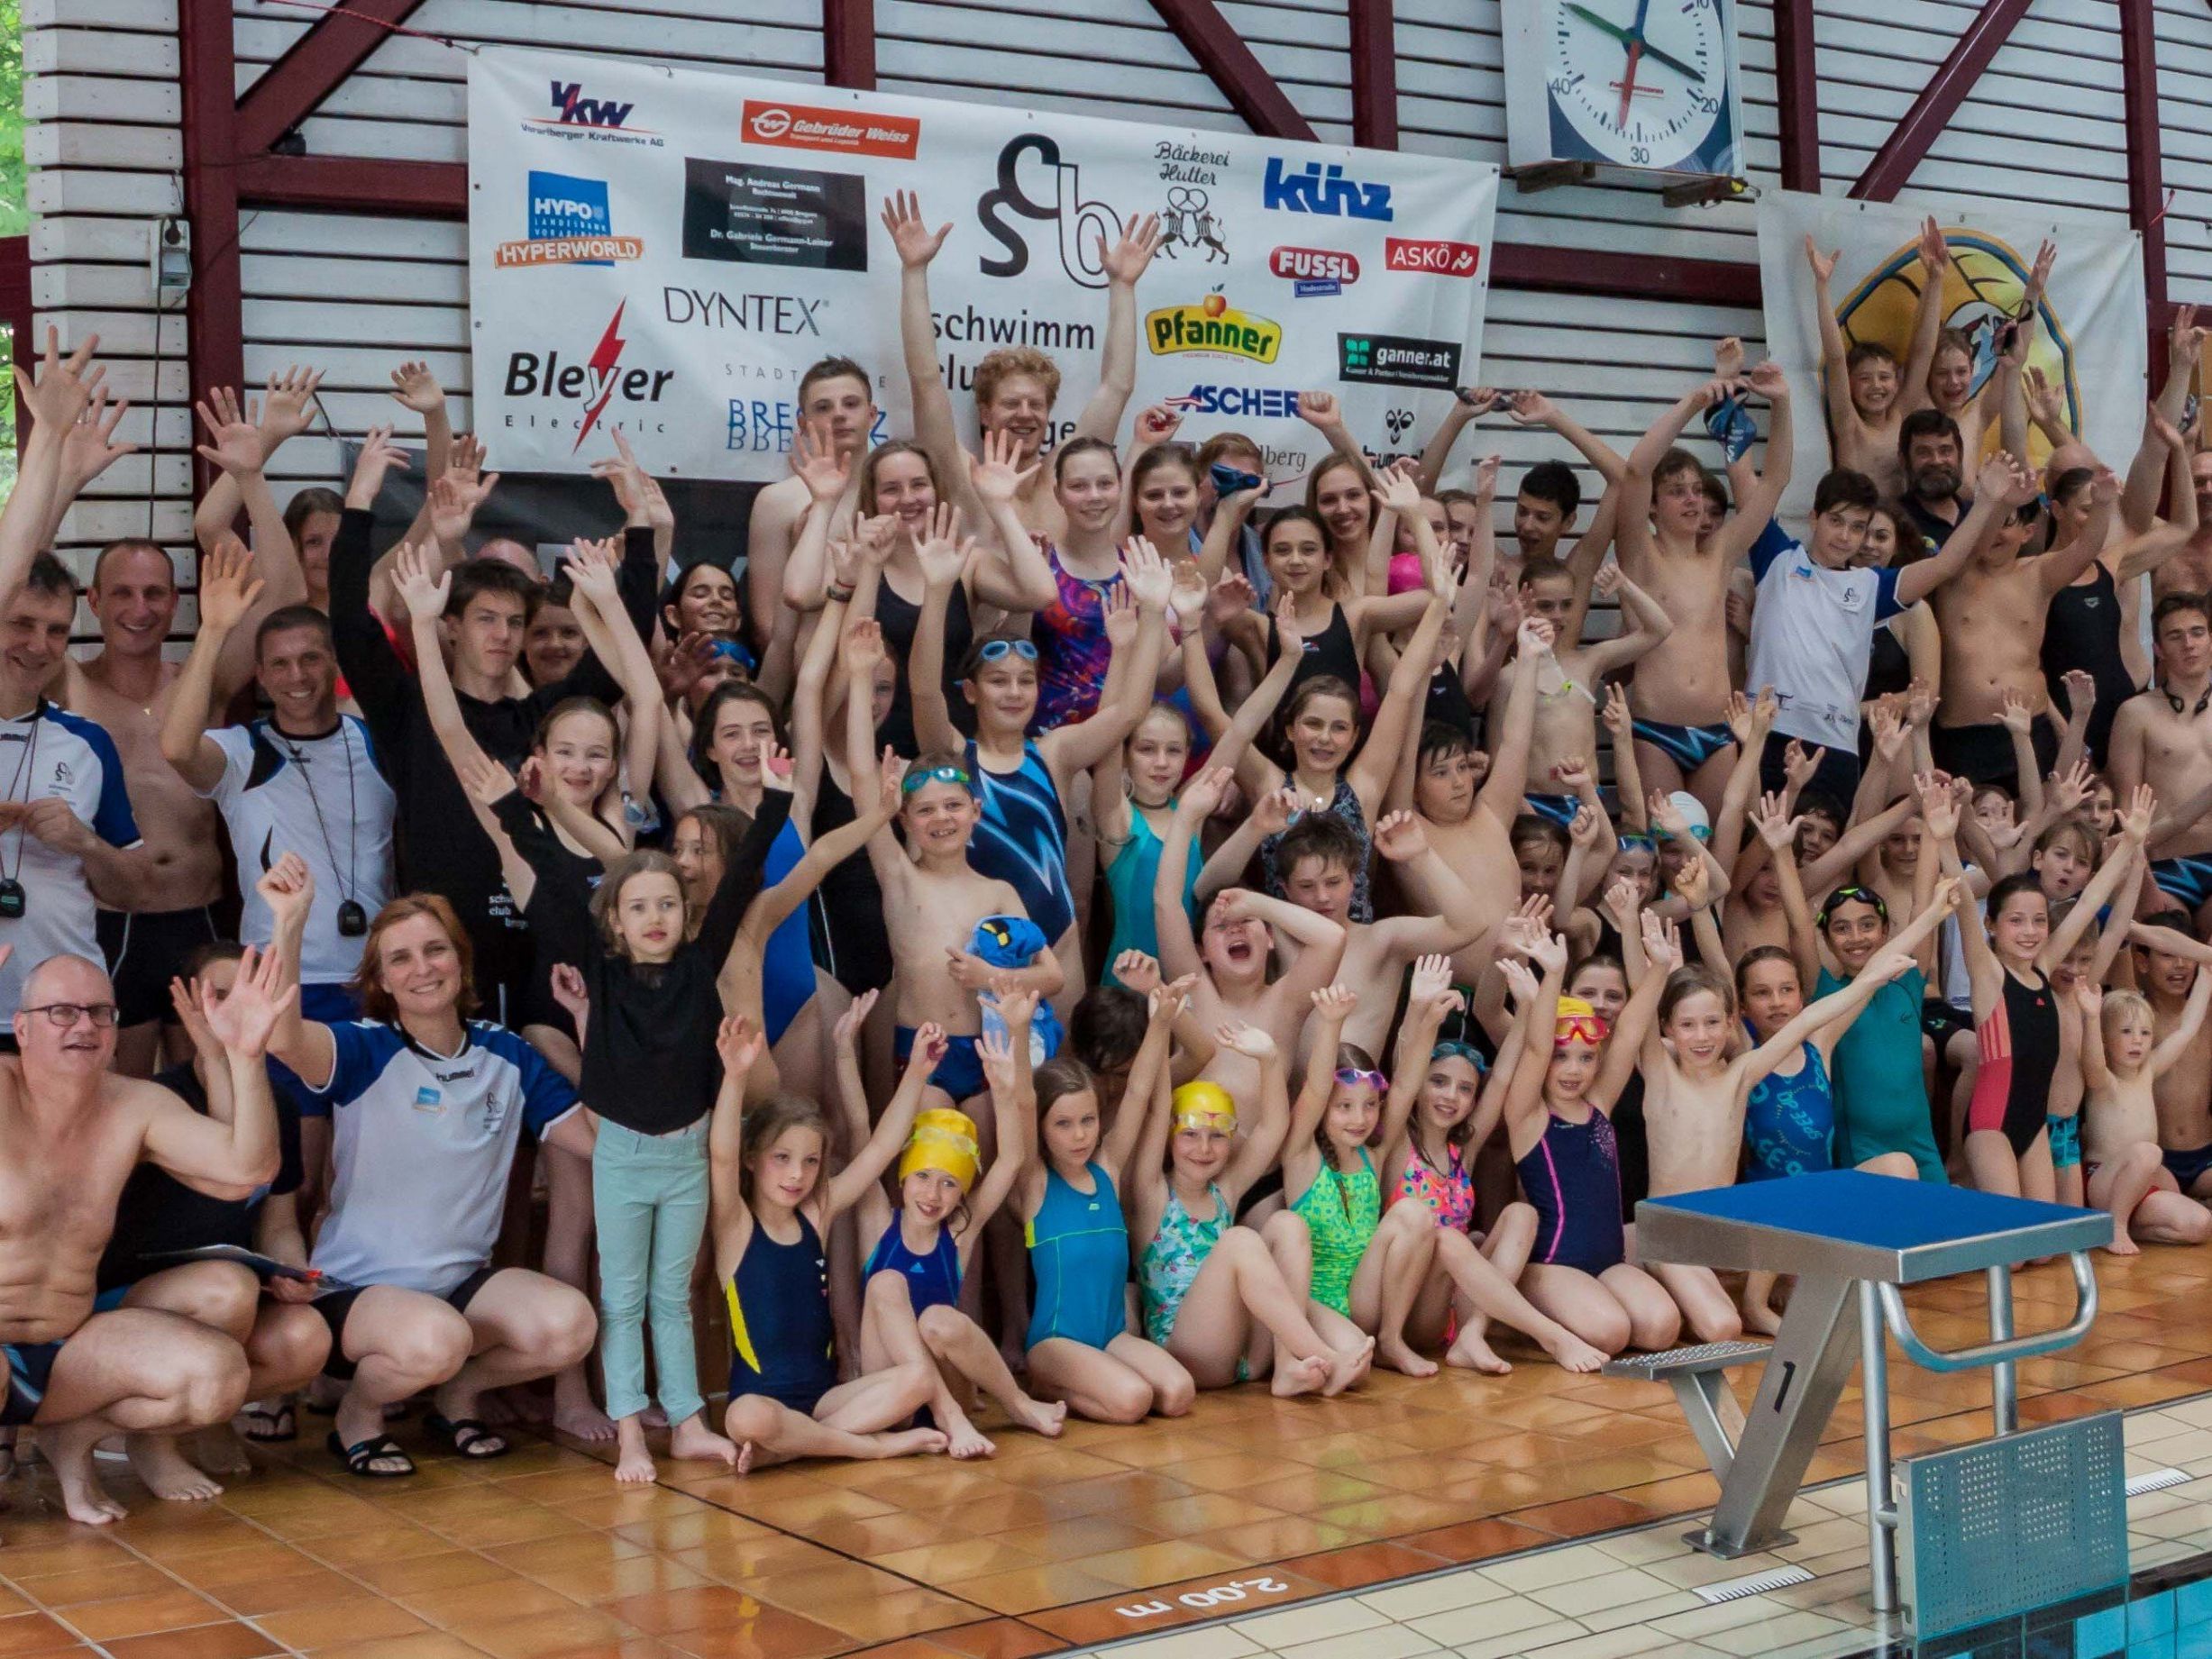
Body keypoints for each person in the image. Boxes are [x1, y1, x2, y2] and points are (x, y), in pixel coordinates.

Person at [258, 862, 599, 1479]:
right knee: (436, 1338)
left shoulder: (508, 1053)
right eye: (401, 958)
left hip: (462, 1287)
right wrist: (290, 923)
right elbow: (281, 1036)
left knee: (569, 1324)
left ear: (460, 962)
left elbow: (597, 1140)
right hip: (358, 1295)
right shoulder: (365, 1047)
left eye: (435, 950)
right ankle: (358, 1416)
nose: (422, 968)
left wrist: (588, 1027)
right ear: (382, 979)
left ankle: (457, 1396)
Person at [61, 389, 308, 1074]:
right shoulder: (71, 685)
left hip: (201, 921)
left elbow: (285, 602)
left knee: (217, 1096)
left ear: (177, 601)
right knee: (121, 1095)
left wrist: (256, 476)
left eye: (155, 594)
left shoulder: (201, 677)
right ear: (95, 602)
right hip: (113, 924)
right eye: (123, 593)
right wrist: (61, 475)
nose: (140, 609)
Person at [0, 943, 289, 1527]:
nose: (84, 1024)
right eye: (62, 1012)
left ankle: (72, 1439)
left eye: (100, 1012)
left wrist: (245, 1054)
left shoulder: (135, 1104)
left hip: (67, 1351)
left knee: (216, 1377)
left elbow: (248, 1168)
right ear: (22, 1029)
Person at [95, 945, 333, 1479]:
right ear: (189, 1005)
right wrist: (220, 1057)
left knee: (304, 1335)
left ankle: (205, 1410)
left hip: (222, 1295)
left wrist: (294, 1272)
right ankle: (153, 1442)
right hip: (131, 1300)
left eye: (251, 994)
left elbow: (277, 1221)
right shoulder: (155, 1098)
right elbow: (236, 1168)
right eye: (220, 994)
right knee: (226, 1287)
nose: (235, 1008)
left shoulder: (282, 1104)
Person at [160, 542, 395, 1022]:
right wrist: (215, 630)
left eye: (310, 659)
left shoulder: (378, 743)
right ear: (261, 677)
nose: (297, 676)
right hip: (277, 978)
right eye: (280, 665)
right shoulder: (241, 751)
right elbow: (177, 748)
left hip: (374, 976)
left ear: (334, 664)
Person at [714, 1014, 948, 1469]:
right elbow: (721, 1158)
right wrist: (736, 1077)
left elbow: (881, 1149)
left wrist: (918, 1073)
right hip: (765, 1404)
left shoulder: (815, 1217)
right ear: (752, 1159)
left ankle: (792, 1448)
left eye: (810, 1161)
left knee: (921, 1378)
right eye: (781, 1158)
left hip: (828, 1403)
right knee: (745, 1418)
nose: (797, 1174)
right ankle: (871, 1446)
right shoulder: (735, 1226)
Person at [886, 188, 1156, 541]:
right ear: (985, 413)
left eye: (1036, 404)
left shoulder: (1066, 477)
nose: (1025, 414)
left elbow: (1116, 388)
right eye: (1011, 404)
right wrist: (913, 271)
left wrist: (1123, 286)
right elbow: (925, 380)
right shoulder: (963, 477)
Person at [1933, 779, 2153, 1198]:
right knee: (2011, 1241)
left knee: (2044, 1248)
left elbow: (2089, 904)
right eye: (2016, 921)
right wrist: (1945, 840)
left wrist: (2129, 847)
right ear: (1992, 926)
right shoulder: (1989, 974)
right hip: (1990, 1125)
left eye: (2038, 921)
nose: (2030, 931)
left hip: (2032, 1127)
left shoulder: (2045, 965)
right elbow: (1961, 898)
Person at [1492, 911, 1679, 1355]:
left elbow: (1630, 1029)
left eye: (1585, 1058)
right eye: (1563, 1058)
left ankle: (1584, 1304)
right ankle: (1520, 1301)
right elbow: (1537, 1046)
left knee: (1660, 1329)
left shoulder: (1598, 1106)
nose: (1574, 1070)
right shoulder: (1529, 1115)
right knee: (1611, 1333)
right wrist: (1553, 973)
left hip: (1607, 1262)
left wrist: (1658, 969)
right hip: (1552, 1262)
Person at [1014, 980, 1199, 1423]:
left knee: (1178, 1393)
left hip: (1111, 1334)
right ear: (1042, 1129)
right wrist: (1018, 1031)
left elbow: (1137, 1091)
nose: (1079, 1135)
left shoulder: (1108, 1168)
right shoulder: (1036, 1182)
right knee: (1133, 1400)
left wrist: (1160, 1024)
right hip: (1056, 1341)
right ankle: (1048, 1383)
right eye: (1063, 1124)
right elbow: (1021, 1101)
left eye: (1088, 1121)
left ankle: (1098, 1379)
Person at [1618, 366, 1793, 814]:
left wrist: (1783, 403)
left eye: (1697, 490)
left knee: (1717, 849)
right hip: (1657, 728)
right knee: (1666, 848)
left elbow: (1773, 483)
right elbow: (1637, 470)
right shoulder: (1640, 552)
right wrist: (1692, 404)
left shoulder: (1720, 553)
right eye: (1677, 492)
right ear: (1654, 506)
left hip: (1718, 729)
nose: (1692, 499)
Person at [2078, 973, 2212, 1253]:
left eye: (2145, 1033)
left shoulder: (2148, 1071)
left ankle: (2125, 1226)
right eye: (2126, 1032)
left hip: (2141, 1184)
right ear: (2105, 1039)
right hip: (2105, 1181)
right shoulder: (2104, 1082)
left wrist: (2206, 973)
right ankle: (2115, 1226)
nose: (2137, 1041)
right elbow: (2091, 1061)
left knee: (2200, 1224)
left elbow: (2186, 1030)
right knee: (2149, 1152)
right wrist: (2091, 1018)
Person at [2112, 596, 2212, 927]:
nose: (2189, 644)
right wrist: (2143, 883)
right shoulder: (2135, 713)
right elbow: (2126, 808)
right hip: (2166, 865)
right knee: (2168, 957)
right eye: (2175, 636)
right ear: (2157, 648)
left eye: (2197, 633)